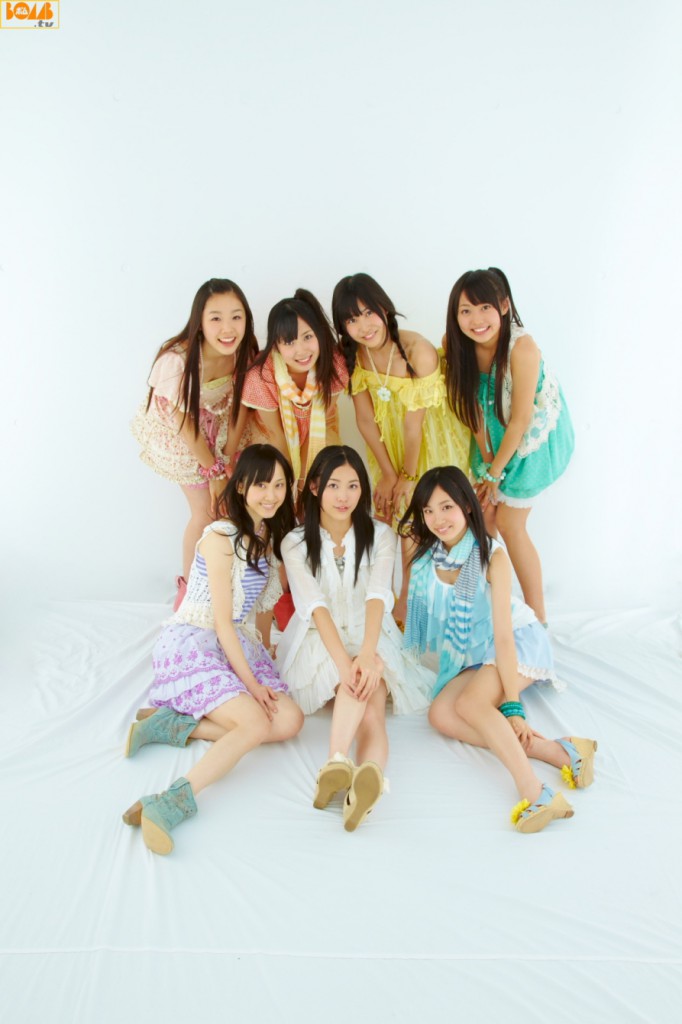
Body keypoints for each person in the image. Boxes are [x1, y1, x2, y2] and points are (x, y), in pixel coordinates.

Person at [122, 445, 304, 855]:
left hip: (234, 643)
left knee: (289, 720)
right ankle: (170, 801)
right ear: (241, 487)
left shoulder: (266, 541)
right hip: (197, 641)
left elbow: (260, 613)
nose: (271, 495)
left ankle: (171, 726)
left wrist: (266, 655)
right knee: (255, 723)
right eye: (262, 485)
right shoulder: (221, 537)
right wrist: (253, 686)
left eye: (279, 485)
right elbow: (222, 622)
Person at [400, 466, 596, 834]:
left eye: (446, 507)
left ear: (467, 506)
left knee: (471, 705)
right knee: (441, 715)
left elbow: (504, 637)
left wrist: (512, 707)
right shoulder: (430, 558)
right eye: (428, 510)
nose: (438, 519)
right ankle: (559, 751)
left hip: (518, 640)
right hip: (477, 650)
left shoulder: (491, 556)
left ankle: (535, 791)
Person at [276, 446, 433, 831]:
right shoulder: (294, 542)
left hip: (370, 632)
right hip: (319, 636)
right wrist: (346, 664)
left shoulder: (381, 535)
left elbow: (378, 595)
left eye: (352, 485)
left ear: (363, 489)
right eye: (333, 485)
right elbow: (314, 606)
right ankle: (361, 769)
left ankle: (342, 764)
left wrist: (366, 653)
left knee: (372, 701)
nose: (343, 496)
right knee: (360, 687)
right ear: (315, 487)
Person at [332, 272, 469, 625]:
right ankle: (396, 598)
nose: (364, 326)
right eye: (351, 319)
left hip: (428, 442)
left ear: (385, 308)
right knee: (395, 519)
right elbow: (365, 420)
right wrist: (388, 473)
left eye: (368, 313)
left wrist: (406, 476)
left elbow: (414, 425)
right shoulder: (355, 356)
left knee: (418, 516)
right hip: (389, 448)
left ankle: (413, 599)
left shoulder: (416, 351)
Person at [443, 268, 574, 622]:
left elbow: (521, 420)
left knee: (510, 524)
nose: (476, 320)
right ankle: (490, 605)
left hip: (530, 438)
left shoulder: (522, 349)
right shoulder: (455, 343)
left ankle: (538, 617)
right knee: (483, 517)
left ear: (503, 306)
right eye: (465, 310)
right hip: (492, 431)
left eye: (485, 307)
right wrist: (487, 461)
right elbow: (471, 405)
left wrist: (495, 474)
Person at [131, 278, 257, 599]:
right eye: (216, 318)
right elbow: (186, 426)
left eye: (236, 316)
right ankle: (189, 595)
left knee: (234, 509)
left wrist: (227, 458)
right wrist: (214, 472)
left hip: (221, 425)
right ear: (199, 321)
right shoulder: (177, 361)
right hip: (184, 436)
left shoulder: (244, 352)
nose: (228, 328)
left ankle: (227, 589)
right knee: (205, 511)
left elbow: (242, 405)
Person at [242, 288, 348, 494]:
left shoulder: (334, 364)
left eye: (308, 337)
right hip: (272, 436)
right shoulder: (261, 376)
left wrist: (302, 481)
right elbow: (276, 435)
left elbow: (317, 426)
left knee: (321, 486)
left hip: (319, 432)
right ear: (276, 345)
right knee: (277, 487)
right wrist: (291, 483)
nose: (301, 350)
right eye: (289, 342)